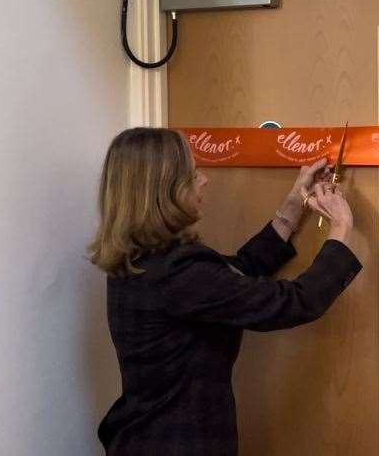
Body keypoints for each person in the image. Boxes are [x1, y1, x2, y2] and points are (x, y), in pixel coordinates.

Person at [89, 127, 361, 455]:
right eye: (191, 174)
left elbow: (233, 275)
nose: (204, 180)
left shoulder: (139, 258)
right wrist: (341, 228)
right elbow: (294, 302)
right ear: (162, 191)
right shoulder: (177, 272)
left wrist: (292, 205)